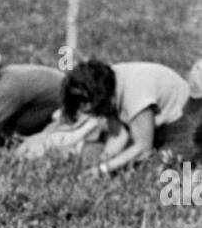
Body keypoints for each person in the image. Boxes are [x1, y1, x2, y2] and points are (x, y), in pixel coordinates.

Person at [22, 58, 202, 173]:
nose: (85, 110)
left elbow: (143, 147)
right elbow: (119, 135)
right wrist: (101, 163)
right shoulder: (106, 83)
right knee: (122, 164)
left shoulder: (135, 94)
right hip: (157, 126)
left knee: (154, 172)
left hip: (186, 122)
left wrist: (103, 169)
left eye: (86, 104)